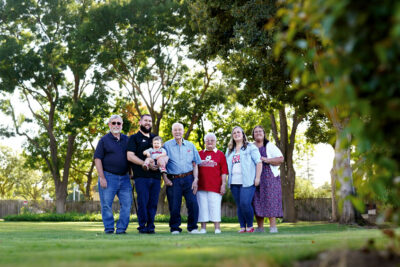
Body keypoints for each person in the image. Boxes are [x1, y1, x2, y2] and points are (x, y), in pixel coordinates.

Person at [94, 115, 132, 234]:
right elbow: (97, 159)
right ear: (109, 125)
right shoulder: (103, 140)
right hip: (108, 177)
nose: (116, 125)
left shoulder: (127, 140)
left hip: (125, 178)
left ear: (121, 125)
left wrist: (132, 173)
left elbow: (131, 157)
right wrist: (102, 177)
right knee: (106, 205)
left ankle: (121, 229)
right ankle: (109, 228)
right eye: (114, 123)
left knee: (127, 204)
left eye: (118, 123)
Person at [127, 114, 165, 234]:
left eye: (150, 120)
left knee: (153, 203)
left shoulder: (155, 138)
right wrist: (145, 163)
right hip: (141, 176)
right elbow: (130, 156)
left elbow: (162, 154)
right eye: (145, 120)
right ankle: (142, 226)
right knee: (142, 202)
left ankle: (151, 226)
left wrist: (158, 165)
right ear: (140, 122)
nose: (148, 123)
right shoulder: (134, 138)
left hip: (155, 177)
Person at [163, 122, 202, 234]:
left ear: (183, 131)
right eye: (175, 130)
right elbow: (162, 164)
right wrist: (165, 178)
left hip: (189, 178)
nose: (177, 132)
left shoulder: (191, 145)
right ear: (172, 132)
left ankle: (193, 228)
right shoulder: (166, 145)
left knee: (193, 204)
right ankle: (175, 228)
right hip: (173, 179)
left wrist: (195, 179)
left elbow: (195, 164)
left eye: (179, 129)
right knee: (174, 205)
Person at [226, 126, 262, 233]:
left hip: (248, 181)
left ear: (243, 134)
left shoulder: (250, 147)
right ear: (232, 136)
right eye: (234, 133)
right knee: (239, 205)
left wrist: (257, 178)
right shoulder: (229, 150)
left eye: (239, 132)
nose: (236, 134)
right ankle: (242, 227)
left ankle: (250, 226)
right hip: (233, 182)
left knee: (245, 203)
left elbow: (259, 162)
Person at [252, 126, 284, 233]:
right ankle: (260, 228)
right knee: (257, 201)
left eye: (260, 131)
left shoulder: (269, 146)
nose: (258, 133)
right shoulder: (251, 147)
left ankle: (273, 227)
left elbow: (281, 159)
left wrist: (267, 159)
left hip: (269, 177)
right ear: (253, 135)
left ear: (264, 133)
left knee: (271, 201)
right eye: (256, 132)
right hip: (255, 176)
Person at [197, 133, 228, 234]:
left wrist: (223, 184)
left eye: (212, 140)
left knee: (215, 207)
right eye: (207, 140)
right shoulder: (199, 154)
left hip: (215, 187)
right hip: (201, 186)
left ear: (215, 142)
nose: (210, 142)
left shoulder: (220, 154)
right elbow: (194, 169)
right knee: (202, 207)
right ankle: (203, 229)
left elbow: (224, 172)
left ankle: (217, 229)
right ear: (205, 142)